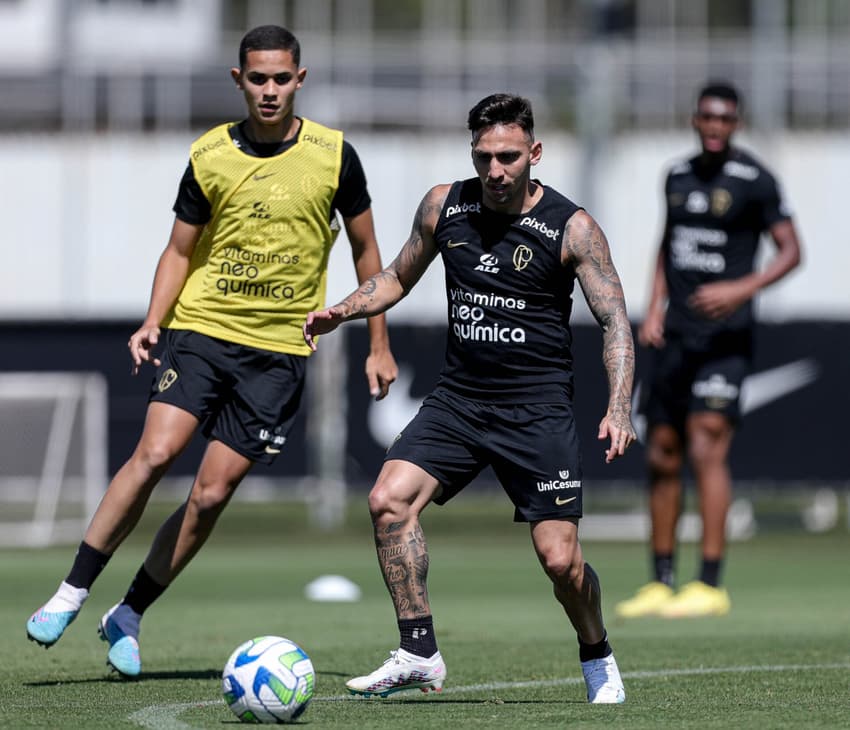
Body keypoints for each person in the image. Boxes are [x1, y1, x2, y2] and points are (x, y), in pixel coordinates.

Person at [26, 25, 398, 677]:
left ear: (299, 80)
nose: (270, 90)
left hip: (281, 353)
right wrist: (152, 321)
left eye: (282, 78)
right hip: (203, 331)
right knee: (156, 452)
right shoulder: (210, 154)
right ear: (239, 81)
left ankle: (130, 612)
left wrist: (377, 342)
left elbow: (370, 254)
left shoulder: (336, 157)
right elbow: (178, 250)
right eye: (258, 78)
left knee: (210, 496)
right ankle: (72, 590)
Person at [304, 93, 636, 704]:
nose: (495, 171)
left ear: (534, 153)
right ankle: (419, 651)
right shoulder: (443, 205)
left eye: (508, 157)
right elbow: (399, 275)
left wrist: (619, 406)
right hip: (459, 400)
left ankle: (596, 648)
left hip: (537, 411)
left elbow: (614, 319)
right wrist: (342, 311)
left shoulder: (573, 227)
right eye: (483, 157)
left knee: (560, 562)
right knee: (387, 501)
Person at [615, 82, 802, 620]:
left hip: (726, 340)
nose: (716, 126)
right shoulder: (675, 175)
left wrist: (740, 289)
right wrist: (653, 307)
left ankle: (710, 583)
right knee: (661, 451)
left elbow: (792, 251)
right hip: (674, 336)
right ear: (695, 120)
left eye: (725, 118)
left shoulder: (755, 180)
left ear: (735, 123)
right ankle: (661, 580)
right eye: (707, 117)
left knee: (706, 446)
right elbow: (667, 242)